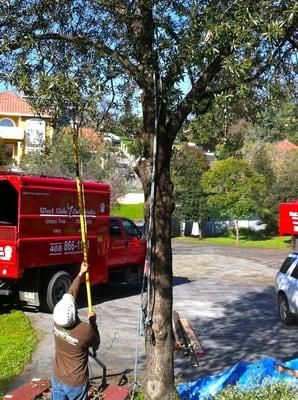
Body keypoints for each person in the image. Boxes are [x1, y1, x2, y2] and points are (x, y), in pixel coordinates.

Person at [51, 262, 100, 400]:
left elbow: (70, 293)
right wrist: (93, 322)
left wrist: (80, 274)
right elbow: (96, 342)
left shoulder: (57, 323)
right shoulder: (85, 330)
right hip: (76, 384)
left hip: (58, 377)